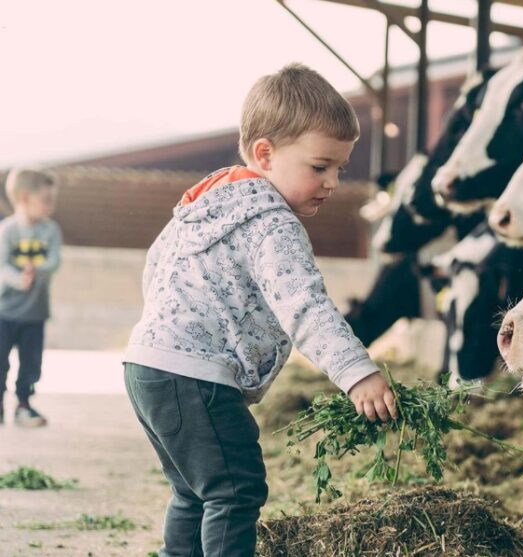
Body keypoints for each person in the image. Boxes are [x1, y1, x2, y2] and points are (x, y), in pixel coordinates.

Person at [123, 63, 398, 557]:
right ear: (265, 154)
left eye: (340, 168)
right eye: (319, 167)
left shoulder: (206, 203)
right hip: (196, 376)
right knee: (235, 490)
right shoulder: (273, 223)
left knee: (193, 493)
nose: (333, 181)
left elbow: (156, 267)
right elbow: (305, 306)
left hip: (147, 366)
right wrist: (356, 372)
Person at [0, 168, 61, 428]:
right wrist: (19, 278)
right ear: (24, 198)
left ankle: (24, 405)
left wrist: (37, 270)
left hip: (35, 313)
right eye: (45, 200)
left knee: (31, 363)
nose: (51, 206)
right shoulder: (7, 230)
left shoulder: (51, 230)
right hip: (5, 312)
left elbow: (54, 260)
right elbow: (2, 265)